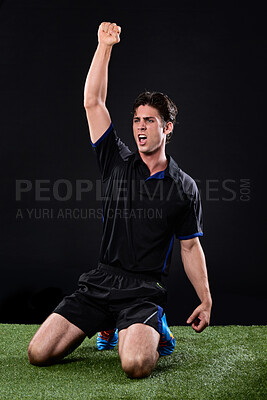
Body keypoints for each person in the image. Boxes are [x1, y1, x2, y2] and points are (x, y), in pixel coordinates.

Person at [28, 22, 212, 379]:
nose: (141, 127)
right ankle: (107, 325)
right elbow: (92, 102)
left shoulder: (184, 187)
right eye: (137, 120)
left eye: (150, 121)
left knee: (136, 365)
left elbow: (190, 248)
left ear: (167, 128)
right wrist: (104, 46)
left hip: (143, 291)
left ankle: (157, 329)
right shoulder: (115, 159)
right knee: (38, 353)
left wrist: (206, 299)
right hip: (101, 281)